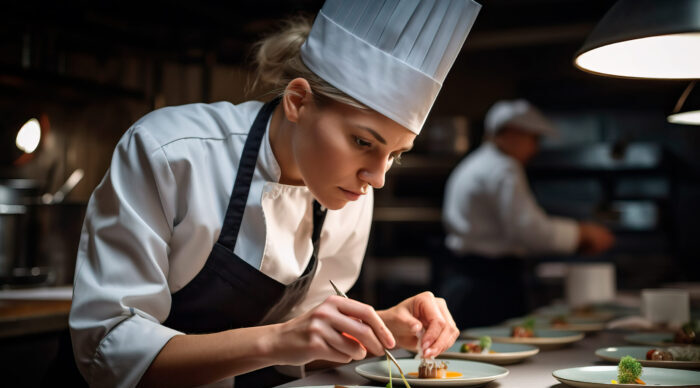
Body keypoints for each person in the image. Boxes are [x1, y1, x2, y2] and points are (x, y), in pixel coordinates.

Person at [68, 1, 482, 387]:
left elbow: (302, 352)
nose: (376, 178)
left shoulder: (350, 194)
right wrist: (279, 339)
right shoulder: (171, 153)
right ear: (298, 101)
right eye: (362, 142)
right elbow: (109, 352)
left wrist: (381, 330)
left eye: (395, 155)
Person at [441, 99, 615, 328]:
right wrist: (583, 234)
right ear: (512, 133)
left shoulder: (476, 162)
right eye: (534, 139)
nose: (536, 148)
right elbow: (530, 230)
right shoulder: (503, 168)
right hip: (489, 288)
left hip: (464, 281)